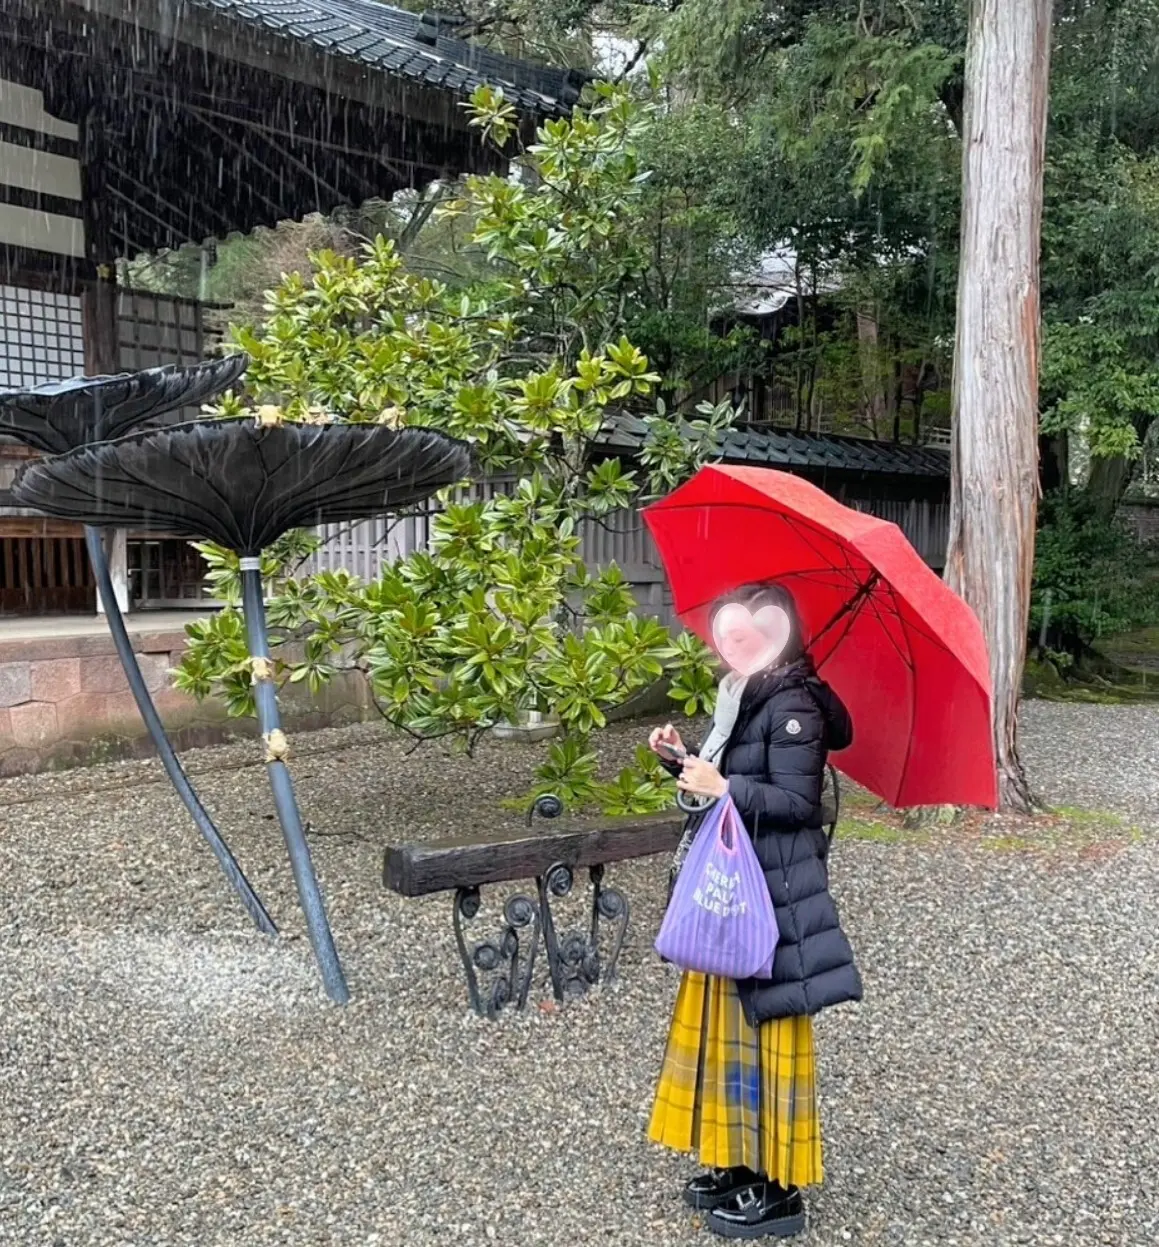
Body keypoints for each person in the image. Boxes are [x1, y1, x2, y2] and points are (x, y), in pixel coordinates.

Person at [647, 580, 862, 1240]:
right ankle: (741, 1161)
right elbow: (726, 782)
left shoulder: (794, 702)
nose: (738, 639)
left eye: (755, 628)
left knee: (768, 1033)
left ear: (783, 631)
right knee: (729, 1031)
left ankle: (780, 1189)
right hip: (737, 888)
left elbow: (796, 803)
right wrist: (682, 761)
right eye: (730, 628)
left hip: (773, 892)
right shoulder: (743, 693)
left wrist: (725, 785)